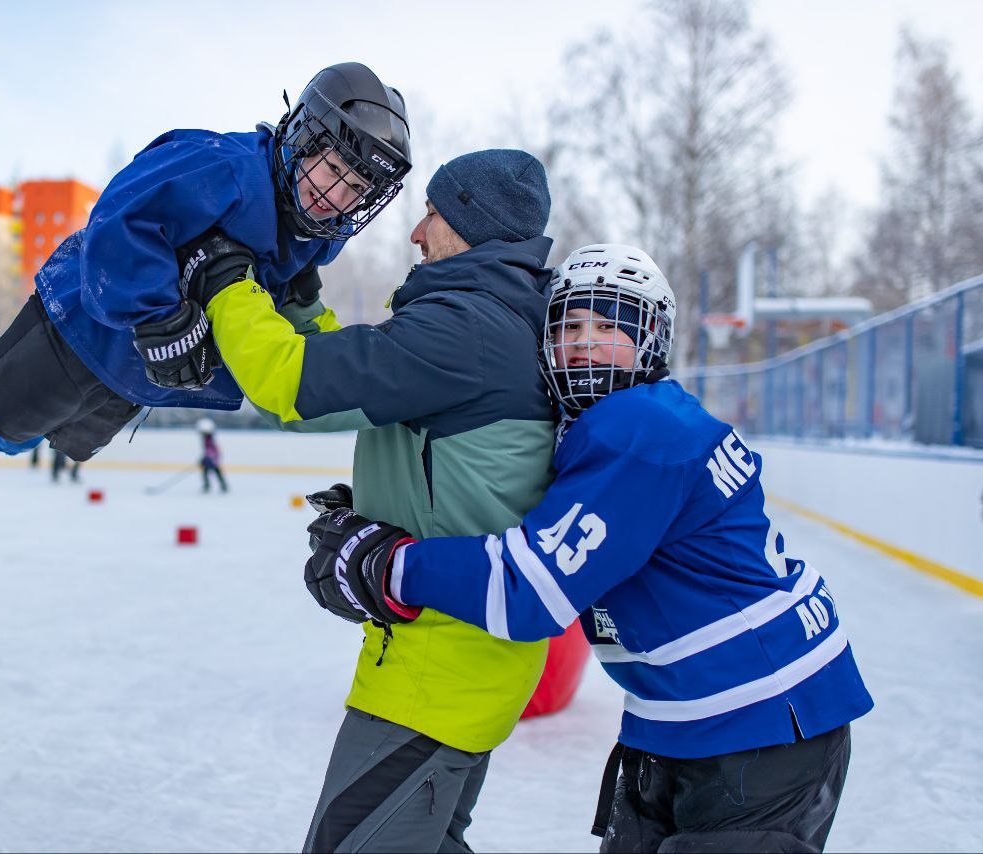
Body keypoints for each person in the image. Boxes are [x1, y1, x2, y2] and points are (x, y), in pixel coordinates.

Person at [303, 244, 874, 853]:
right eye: (570, 325)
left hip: (762, 725)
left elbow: (532, 592)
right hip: (699, 717)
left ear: (651, 338)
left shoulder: (637, 427)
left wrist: (388, 564)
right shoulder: (625, 419)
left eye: (610, 326)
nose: (585, 342)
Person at [0, 62, 412, 541]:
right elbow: (121, 218)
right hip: (84, 327)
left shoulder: (306, 239)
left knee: (11, 438)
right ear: (303, 137)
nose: (336, 194)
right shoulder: (222, 166)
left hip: (132, 375)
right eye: (332, 169)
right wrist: (157, 314)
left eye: (355, 188)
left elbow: (272, 302)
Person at [182, 149, 556, 852]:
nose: (417, 233)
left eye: (435, 214)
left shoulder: (464, 329)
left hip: (434, 679)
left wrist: (226, 280)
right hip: (464, 667)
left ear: (474, 226)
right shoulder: (498, 319)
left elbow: (291, 387)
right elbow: (360, 378)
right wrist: (298, 301)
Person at [196, 417, 227, 493]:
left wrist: (206, 458)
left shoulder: (208, 439)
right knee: (213, 472)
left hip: (212, 459)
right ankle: (221, 485)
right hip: (212, 458)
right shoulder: (207, 438)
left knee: (213, 471)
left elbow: (211, 449)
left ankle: (219, 486)